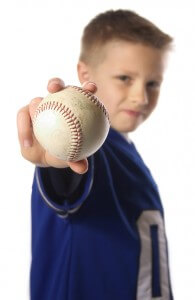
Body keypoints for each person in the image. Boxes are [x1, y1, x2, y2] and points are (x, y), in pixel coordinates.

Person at [17, 9, 174, 300]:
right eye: (125, 78)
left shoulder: (126, 153)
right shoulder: (93, 152)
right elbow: (69, 184)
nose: (141, 96)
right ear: (86, 75)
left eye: (153, 83)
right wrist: (59, 159)